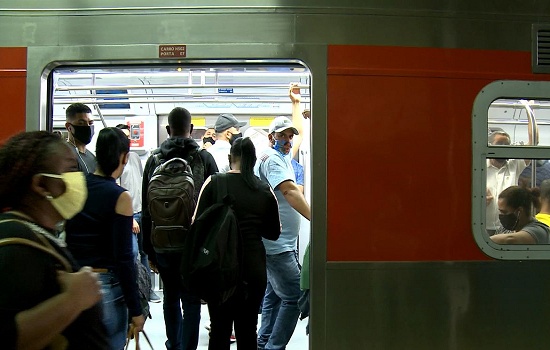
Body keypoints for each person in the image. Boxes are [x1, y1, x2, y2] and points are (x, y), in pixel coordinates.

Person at [0, 131, 109, 349]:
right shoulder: (16, 245)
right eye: (70, 170)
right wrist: (73, 300)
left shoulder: (36, 234)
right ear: (41, 184)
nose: (79, 179)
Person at [142, 107, 218, 350]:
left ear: (168, 130)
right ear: (192, 130)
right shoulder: (204, 159)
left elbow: (146, 208)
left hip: (162, 243)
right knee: (191, 300)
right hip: (193, 244)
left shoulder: (154, 159)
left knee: (170, 298)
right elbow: (215, 207)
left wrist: (149, 250)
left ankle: (174, 344)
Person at [194, 137, 281, 350]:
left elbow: (197, 224)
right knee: (248, 330)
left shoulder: (214, 182)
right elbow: (274, 232)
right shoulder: (264, 189)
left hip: (219, 267)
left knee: (219, 330)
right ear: (253, 161)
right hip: (252, 268)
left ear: (229, 158)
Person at [65, 127, 145, 349]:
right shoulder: (120, 197)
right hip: (107, 288)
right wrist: (136, 310)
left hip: (76, 284)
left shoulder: (77, 187)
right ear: (124, 157)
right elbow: (124, 258)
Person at [255, 106, 311, 350]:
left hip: (277, 243)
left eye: (290, 136)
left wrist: (296, 106)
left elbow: (293, 146)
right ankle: (273, 347)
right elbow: (288, 191)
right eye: (282, 136)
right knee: (294, 296)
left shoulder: (281, 156)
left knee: (274, 296)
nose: (288, 141)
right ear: (271, 138)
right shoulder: (272, 160)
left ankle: (263, 342)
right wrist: (317, 219)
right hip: (277, 246)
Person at [116, 124, 161, 303]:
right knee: (133, 253)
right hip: (129, 215)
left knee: (144, 253)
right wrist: (129, 217)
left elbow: (142, 183)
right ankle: (135, 292)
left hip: (141, 212)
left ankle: (147, 290)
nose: (127, 140)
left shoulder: (133, 157)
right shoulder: (116, 160)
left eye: (129, 136)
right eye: (123, 136)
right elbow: (118, 188)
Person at [486, 125, 538, 235]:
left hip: (507, 226)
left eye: (506, 145)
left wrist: (528, 110)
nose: (504, 148)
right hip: (483, 225)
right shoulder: (479, 167)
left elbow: (533, 142)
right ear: (489, 146)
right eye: (500, 144)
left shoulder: (514, 165)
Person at [65, 103, 96, 174]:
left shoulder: (92, 157)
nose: (88, 127)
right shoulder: (65, 155)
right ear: (68, 127)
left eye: (90, 123)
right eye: (81, 123)